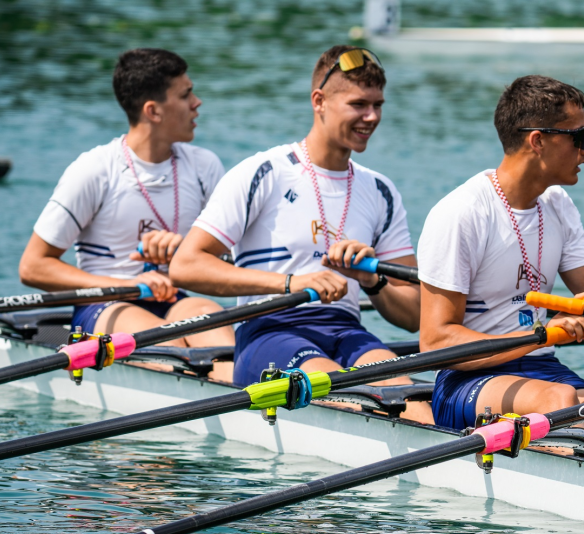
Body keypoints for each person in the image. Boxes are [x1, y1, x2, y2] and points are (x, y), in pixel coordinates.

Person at [170, 46, 430, 422]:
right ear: (319, 101)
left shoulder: (381, 191)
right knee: (348, 391)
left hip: (345, 329)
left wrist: (373, 282)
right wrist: (290, 282)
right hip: (269, 331)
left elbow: (415, 314)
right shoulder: (263, 173)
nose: (371, 116)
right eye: (359, 104)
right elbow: (186, 266)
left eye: (378, 105)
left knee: (413, 400)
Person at [416, 75, 584, 469]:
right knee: (559, 402)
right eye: (580, 136)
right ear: (538, 140)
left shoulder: (558, 205)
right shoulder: (461, 213)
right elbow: (436, 341)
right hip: (466, 381)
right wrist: (542, 335)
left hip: (542, 368)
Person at [19, 48, 233, 381]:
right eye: (186, 94)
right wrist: (126, 285)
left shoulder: (205, 166)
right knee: (170, 346)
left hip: (177, 299)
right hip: (104, 305)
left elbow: (234, 261)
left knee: (221, 341)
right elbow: (33, 266)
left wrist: (185, 250)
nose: (197, 102)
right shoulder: (94, 171)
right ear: (153, 111)